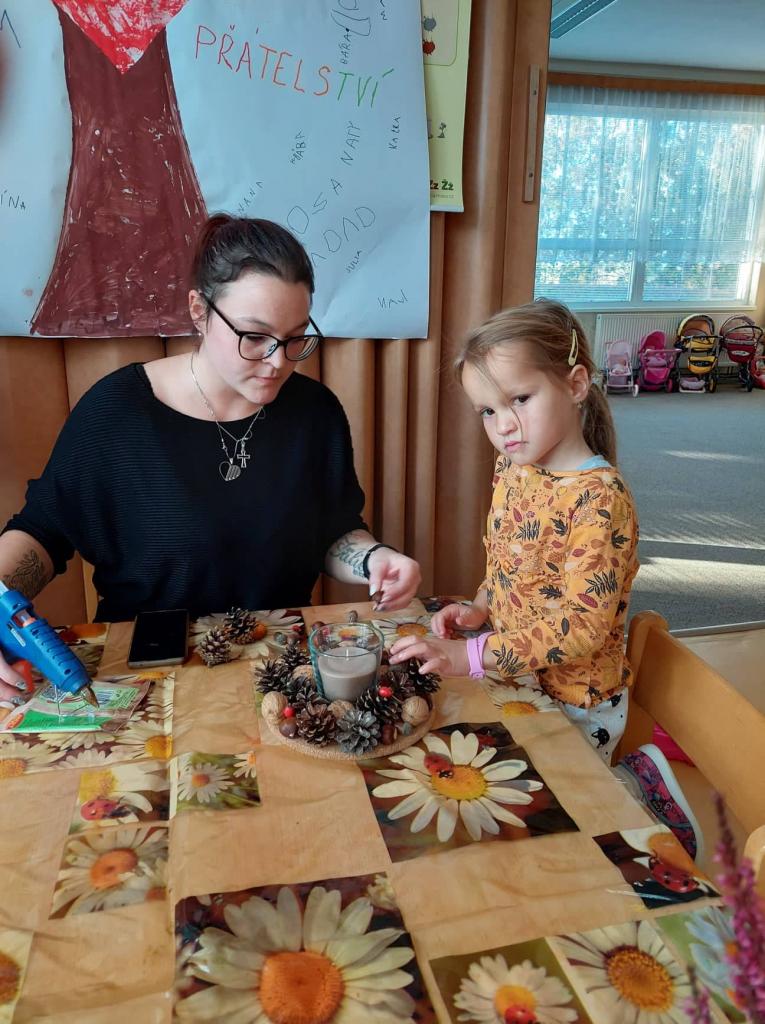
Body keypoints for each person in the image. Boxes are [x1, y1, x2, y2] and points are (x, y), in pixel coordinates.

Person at [0, 215, 420, 704]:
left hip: (282, 674)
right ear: (199, 310)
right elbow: (43, 532)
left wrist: (373, 559)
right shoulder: (116, 412)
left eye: (294, 338)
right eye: (254, 336)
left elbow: (333, 530)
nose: (278, 361)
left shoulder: (315, 412)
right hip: (143, 676)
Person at [388, 299, 703, 859]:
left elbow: (582, 628)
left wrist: (472, 656)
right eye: (487, 411)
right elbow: (508, 561)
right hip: (520, 676)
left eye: (520, 399)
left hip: (578, 700)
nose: (503, 425)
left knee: (565, 823)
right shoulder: (515, 468)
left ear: (575, 384)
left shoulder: (600, 499)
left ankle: (639, 788)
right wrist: (481, 606)